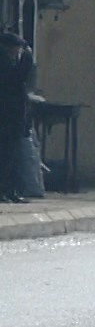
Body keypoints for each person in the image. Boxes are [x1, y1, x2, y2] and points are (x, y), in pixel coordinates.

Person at [0, 31, 31, 203]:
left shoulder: (10, 63)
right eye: (16, 48)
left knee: (13, 157)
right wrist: (27, 61)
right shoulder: (4, 64)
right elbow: (15, 81)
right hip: (7, 118)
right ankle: (4, 189)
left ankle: (11, 189)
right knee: (6, 156)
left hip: (13, 118)